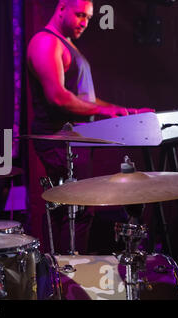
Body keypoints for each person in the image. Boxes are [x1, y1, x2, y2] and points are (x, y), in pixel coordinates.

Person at [27, 0, 153, 254]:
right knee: (76, 211)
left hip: (75, 142)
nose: (85, 22)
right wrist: (106, 111)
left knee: (76, 211)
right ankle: (65, 278)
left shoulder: (66, 44)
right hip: (60, 142)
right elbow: (58, 97)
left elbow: (85, 100)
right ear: (62, 7)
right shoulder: (46, 42)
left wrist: (122, 111)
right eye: (80, 15)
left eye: (89, 17)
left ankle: (66, 276)